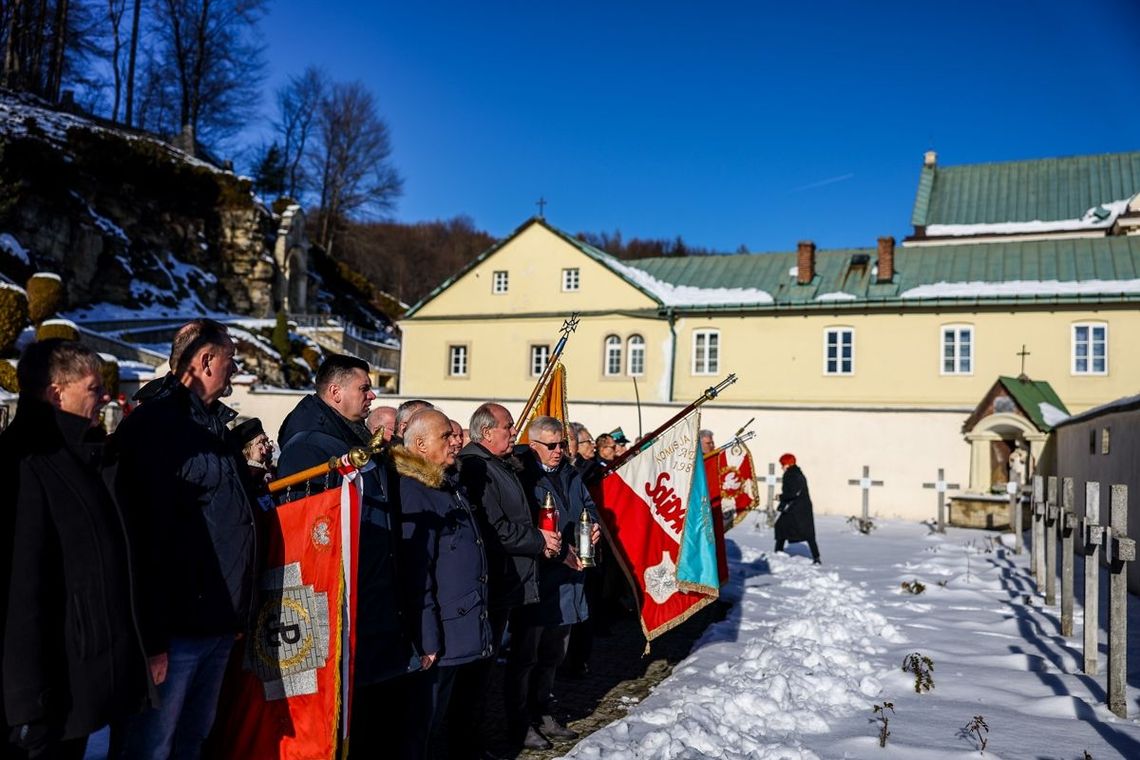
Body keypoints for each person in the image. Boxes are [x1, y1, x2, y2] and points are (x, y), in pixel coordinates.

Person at [111, 319, 257, 759]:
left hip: (215, 621)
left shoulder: (214, 424)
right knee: (151, 745)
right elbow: (144, 533)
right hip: (174, 630)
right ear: (206, 360)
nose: (234, 370)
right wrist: (151, 637)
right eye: (230, 360)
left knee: (192, 739)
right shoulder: (159, 425)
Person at [1, 340, 148, 760]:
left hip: (79, 682)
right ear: (56, 391)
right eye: (93, 388)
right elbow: (20, 589)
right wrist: (26, 700)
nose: (105, 397)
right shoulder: (25, 462)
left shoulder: (81, 456)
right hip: (42, 697)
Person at [275, 355, 423, 758]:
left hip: (370, 592)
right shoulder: (310, 443)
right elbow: (310, 530)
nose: (372, 395)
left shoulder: (349, 435)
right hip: (340, 599)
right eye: (364, 388)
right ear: (336, 392)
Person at [456, 403, 560, 755]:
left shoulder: (499, 464)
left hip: (514, 580)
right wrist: (536, 540)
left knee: (505, 665)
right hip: (496, 583)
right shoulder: (476, 466)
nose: (513, 432)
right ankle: (469, 743)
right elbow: (493, 528)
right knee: (478, 674)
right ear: (486, 433)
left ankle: (487, 734)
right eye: (508, 427)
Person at [393, 410, 491, 759]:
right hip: (438, 637)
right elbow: (418, 572)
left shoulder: (448, 483)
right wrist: (427, 638)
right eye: (445, 437)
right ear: (420, 445)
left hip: (460, 626)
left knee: (435, 723)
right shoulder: (415, 492)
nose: (455, 442)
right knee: (419, 727)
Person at [510, 416, 601, 750]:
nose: (559, 451)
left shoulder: (571, 474)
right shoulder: (524, 476)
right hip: (538, 580)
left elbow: (587, 508)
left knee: (554, 654)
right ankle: (520, 721)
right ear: (533, 445)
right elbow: (520, 526)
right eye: (552, 446)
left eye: (562, 444)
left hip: (570, 579)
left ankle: (544, 710)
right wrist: (555, 548)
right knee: (526, 658)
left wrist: (594, 529)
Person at [774, 453, 820, 564]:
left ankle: (777, 552)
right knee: (808, 534)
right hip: (802, 508)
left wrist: (780, 497)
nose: (782, 467)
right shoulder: (798, 473)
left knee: (781, 527)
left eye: (783, 464)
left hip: (795, 509)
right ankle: (816, 557)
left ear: (788, 464)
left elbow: (793, 493)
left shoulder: (790, 474)